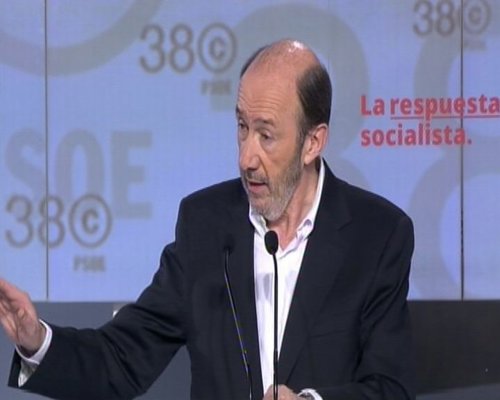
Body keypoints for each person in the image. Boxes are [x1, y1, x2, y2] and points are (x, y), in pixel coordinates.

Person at [0, 39, 415, 400]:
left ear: (313, 142)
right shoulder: (206, 225)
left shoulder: (377, 236)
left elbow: (390, 387)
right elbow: (122, 358)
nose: (246, 157)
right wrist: (38, 342)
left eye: (266, 135)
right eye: (242, 127)